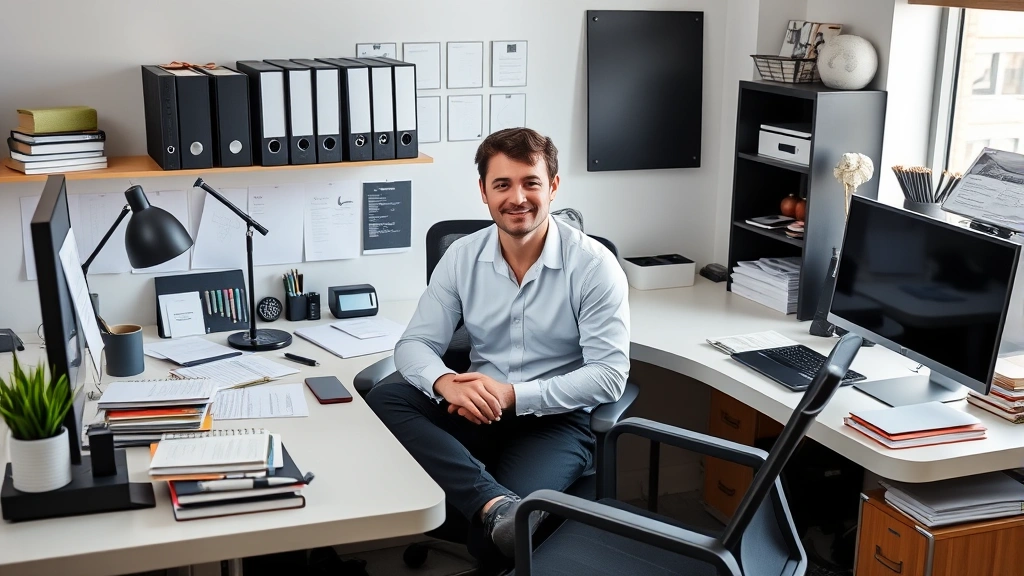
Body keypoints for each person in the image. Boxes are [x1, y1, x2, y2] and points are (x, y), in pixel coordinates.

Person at [365, 128, 630, 560]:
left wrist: (512, 396)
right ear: (484, 192)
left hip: (553, 420)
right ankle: (493, 503)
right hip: (476, 409)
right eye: (502, 184)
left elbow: (609, 376)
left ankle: (497, 516)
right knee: (386, 396)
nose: (517, 198)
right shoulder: (462, 257)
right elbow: (414, 344)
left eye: (531, 182)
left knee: (495, 544)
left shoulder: (594, 267)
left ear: (554, 187)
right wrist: (445, 382)